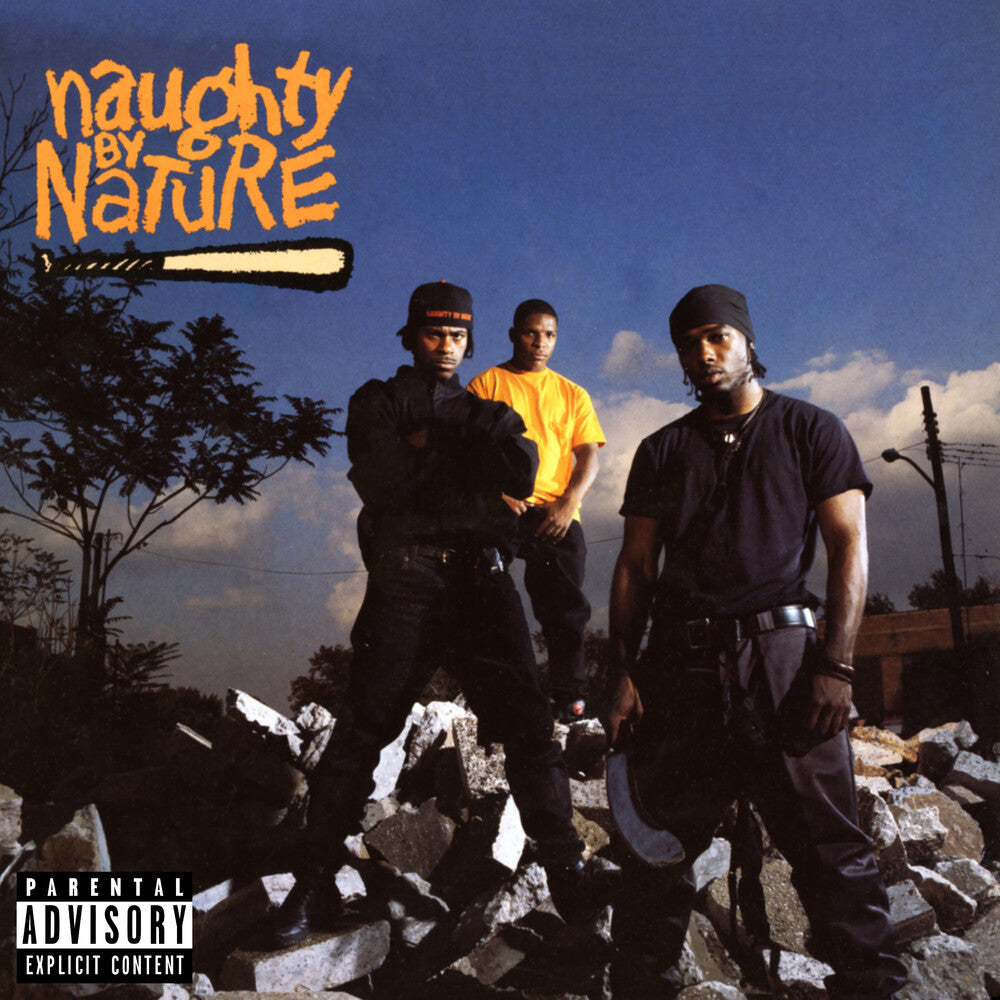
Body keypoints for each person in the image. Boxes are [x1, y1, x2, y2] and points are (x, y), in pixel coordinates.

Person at [264, 281, 610, 948]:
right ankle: (313, 887)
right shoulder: (378, 401)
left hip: (481, 582)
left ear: (470, 340)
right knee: (364, 729)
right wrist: (469, 454)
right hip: (408, 579)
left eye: (457, 336)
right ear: (411, 336)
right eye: (434, 333)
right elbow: (386, 481)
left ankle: (568, 875)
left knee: (530, 727)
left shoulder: (488, 405)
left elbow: (522, 469)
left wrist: (437, 442)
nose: (446, 346)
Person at [606, 285, 906, 999]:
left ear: (747, 340)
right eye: (689, 344)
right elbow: (635, 567)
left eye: (718, 337)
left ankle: (872, 986)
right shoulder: (661, 449)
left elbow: (848, 547)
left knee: (831, 849)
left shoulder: (811, 429)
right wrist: (621, 671)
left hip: (785, 663)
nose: (705, 354)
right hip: (683, 669)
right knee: (656, 852)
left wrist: (837, 664)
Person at [468, 299, 605, 721]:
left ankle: (571, 699)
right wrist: (496, 494)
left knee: (566, 610)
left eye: (549, 335)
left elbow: (589, 456)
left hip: (556, 512)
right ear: (514, 335)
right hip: (503, 510)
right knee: (487, 600)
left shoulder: (572, 393)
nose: (540, 343)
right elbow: (464, 452)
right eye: (531, 333)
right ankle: (501, 699)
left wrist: (569, 502)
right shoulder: (485, 385)